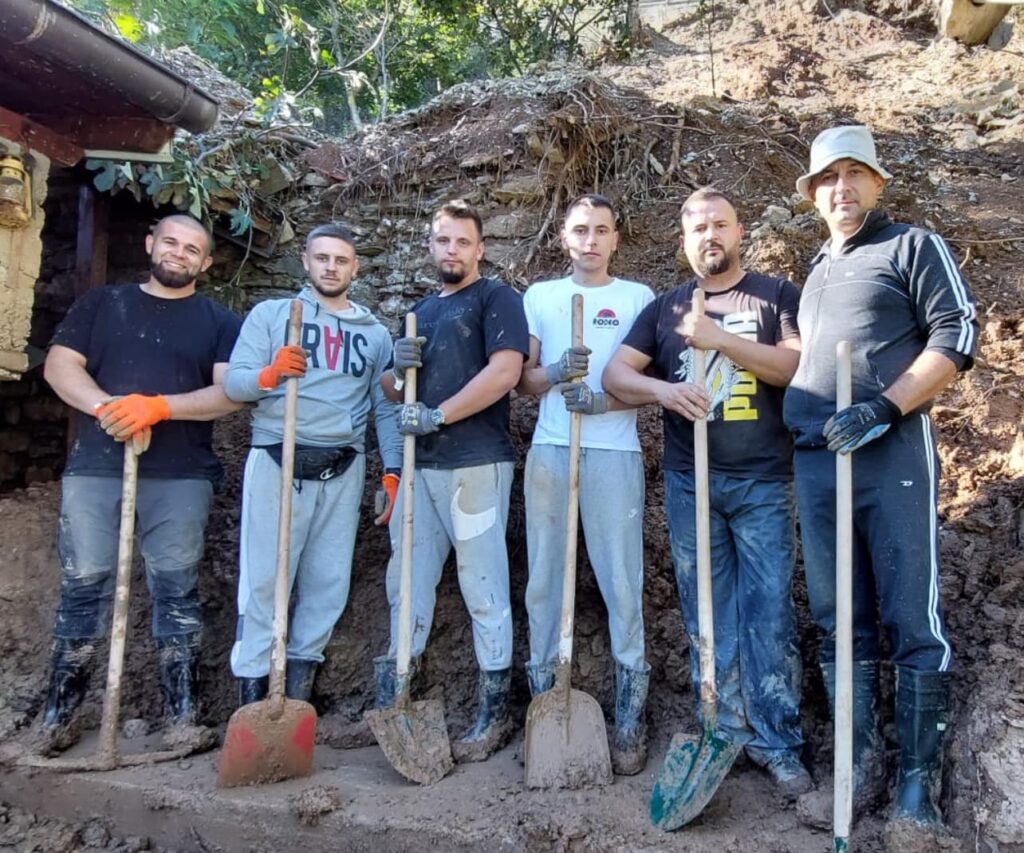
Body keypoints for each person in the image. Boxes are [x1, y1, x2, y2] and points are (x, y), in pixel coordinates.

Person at [784, 125, 978, 832]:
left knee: (910, 615)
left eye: (853, 173)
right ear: (813, 194)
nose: (841, 188)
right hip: (818, 457)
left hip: (889, 451)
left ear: (877, 182)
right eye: (827, 179)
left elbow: (957, 335)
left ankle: (917, 793)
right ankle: (857, 770)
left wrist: (883, 406)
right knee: (840, 618)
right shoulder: (816, 269)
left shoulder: (912, 246)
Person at [604, 188, 811, 796]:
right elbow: (616, 374)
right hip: (689, 480)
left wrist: (717, 338)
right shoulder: (665, 308)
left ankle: (778, 741)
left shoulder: (776, 295)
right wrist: (664, 392)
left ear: (740, 232)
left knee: (769, 610)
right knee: (706, 611)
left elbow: (792, 368)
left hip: (764, 481)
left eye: (721, 224)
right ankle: (721, 728)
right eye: (698, 228)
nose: (710, 235)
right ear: (683, 241)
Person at [36, 214, 241, 754]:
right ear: (151, 243)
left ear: (206, 262)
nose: (179, 253)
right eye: (170, 242)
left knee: (176, 588)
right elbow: (60, 367)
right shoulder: (103, 305)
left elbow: (229, 393)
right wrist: (109, 409)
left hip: (181, 474)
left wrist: (159, 407)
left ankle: (183, 717)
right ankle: (58, 715)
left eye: (192, 249)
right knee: (84, 584)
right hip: (97, 468)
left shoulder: (219, 321)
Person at [376, 200, 529, 763]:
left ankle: (495, 711)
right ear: (431, 246)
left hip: (476, 464)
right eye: (443, 240)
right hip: (421, 468)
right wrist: (397, 369)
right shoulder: (418, 313)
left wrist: (438, 415)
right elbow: (395, 392)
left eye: (463, 242)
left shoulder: (496, 299)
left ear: (480, 249)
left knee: (482, 586)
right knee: (406, 584)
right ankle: (396, 697)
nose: (452, 250)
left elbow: (506, 373)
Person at [224, 223, 401, 706]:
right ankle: (254, 700)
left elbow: (384, 409)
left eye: (341, 260)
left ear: (355, 268)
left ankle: (297, 698)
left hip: (343, 465)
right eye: (322, 258)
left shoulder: (375, 335)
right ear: (305, 260)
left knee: (328, 584)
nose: (331, 267)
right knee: (264, 582)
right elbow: (235, 384)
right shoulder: (272, 316)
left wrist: (392, 471)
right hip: (278, 457)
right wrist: (270, 373)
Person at [516, 194, 655, 775]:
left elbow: (651, 386)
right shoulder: (540, 296)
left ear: (616, 238)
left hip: (614, 452)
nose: (591, 240)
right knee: (544, 578)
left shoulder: (638, 298)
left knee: (622, 579)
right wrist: (553, 374)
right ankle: (543, 706)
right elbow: (523, 380)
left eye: (601, 230)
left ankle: (630, 714)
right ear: (564, 238)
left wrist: (600, 401)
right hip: (551, 449)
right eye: (580, 230)